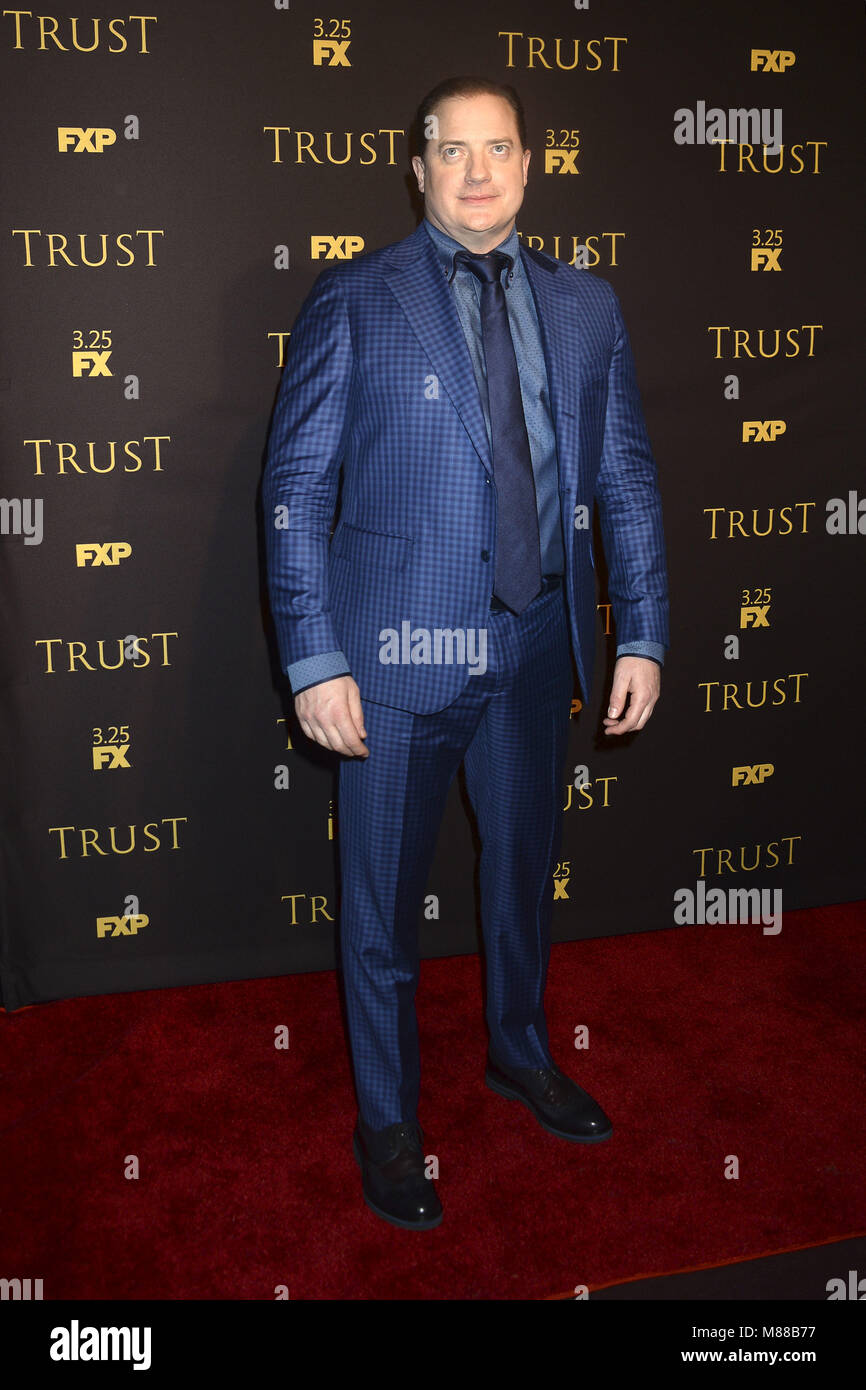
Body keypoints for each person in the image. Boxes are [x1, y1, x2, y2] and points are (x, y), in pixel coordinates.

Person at [263, 76, 669, 1231]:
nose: (478, 171)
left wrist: (635, 625)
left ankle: (517, 1052)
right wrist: (313, 656)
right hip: (389, 660)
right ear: (418, 168)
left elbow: (624, 476)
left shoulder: (586, 305)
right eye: (454, 151)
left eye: (499, 150)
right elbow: (292, 490)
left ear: (529, 167)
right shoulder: (355, 296)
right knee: (382, 909)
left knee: (518, 880)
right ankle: (389, 1120)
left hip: (537, 646)